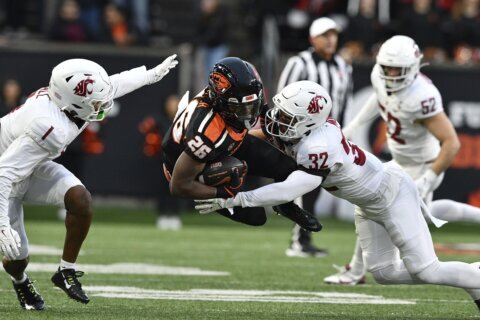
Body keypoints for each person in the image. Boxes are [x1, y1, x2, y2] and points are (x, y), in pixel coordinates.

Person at [194, 80, 480, 311]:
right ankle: (472, 276)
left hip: (392, 196)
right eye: (280, 112)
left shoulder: (318, 146)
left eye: (286, 117)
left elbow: (291, 188)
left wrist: (238, 198)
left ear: (308, 122)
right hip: (369, 204)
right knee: (384, 273)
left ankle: (475, 279)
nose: (277, 120)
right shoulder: (303, 128)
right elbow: (259, 135)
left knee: (426, 270)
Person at [0, 54, 178, 310]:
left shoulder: (68, 103)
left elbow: (116, 84)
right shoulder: (49, 125)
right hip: (6, 175)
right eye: (95, 102)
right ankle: (20, 280)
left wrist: (151, 75)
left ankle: (66, 271)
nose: (102, 105)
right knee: (17, 257)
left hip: (31, 166)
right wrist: (3, 225)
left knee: (81, 199)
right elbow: (4, 173)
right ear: (72, 101)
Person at [322, 34, 480, 285]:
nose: (392, 74)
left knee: (402, 212)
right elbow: (381, 96)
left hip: (423, 164)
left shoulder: (422, 96)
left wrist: (429, 178)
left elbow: (452, 143)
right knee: (374, 206)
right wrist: (353, 125)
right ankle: (356, 271)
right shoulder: (380, 75)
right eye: (388, 68)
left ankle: (356, 271)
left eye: (399, 69)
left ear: (414, 67)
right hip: (399, 162)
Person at [161, 56, 321, 231]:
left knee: (287, 165)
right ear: (220, 102)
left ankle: (284, 205)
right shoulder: (206, 134)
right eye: (240, 109)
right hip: (194, 165)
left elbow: (265, 119)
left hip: (228, 140)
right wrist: (224, 193)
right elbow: (178, 186)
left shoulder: (246, 88)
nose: (249, 114)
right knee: (257, 217)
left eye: (252, 106)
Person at [276, 16, 354, 258]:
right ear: (313, 38)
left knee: (315, 188)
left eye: (333, 35)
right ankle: (299, 240)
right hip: (304, 135)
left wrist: (344, 133)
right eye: (325, 35)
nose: (331, 40)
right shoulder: (300, 63)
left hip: (331, 136)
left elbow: (345, 102)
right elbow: (284, 95)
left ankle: (302, 238)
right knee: (306, 185)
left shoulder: (343, 66)